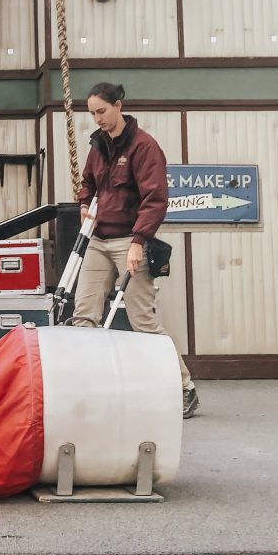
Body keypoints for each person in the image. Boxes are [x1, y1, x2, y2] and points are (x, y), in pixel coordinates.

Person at [74, 83, 199, 419]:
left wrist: (138, 243)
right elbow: (87, 182)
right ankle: (87, 388)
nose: (97, 119)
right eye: (92, 114)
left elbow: (155, 200)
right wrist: (84, 204)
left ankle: (184, 388)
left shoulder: (145, 147)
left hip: (130, 240)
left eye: (101, 111)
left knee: (142, 320)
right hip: (99, 240)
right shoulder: (97, 146)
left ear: (118, 106)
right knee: (83, 316)